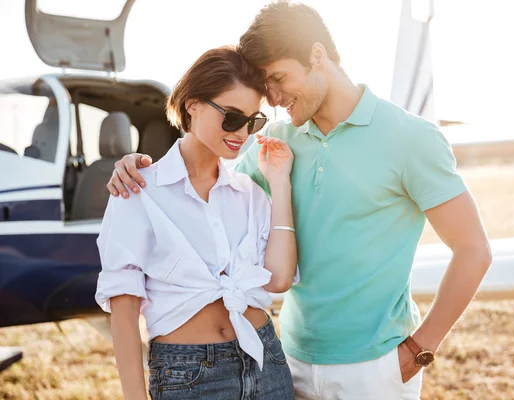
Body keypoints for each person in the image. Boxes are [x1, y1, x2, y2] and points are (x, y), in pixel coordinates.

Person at [106, 2, 492, 399]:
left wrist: (419, 350)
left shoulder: (410, 138)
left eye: (278, 78)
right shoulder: (274, 142)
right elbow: (205, 189)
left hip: (375, 367)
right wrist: (134, 168)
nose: (272, 99)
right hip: (288, 361)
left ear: (317, 55)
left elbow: (473, 250)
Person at [95, 46, 298, 400]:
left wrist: (279, 183)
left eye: (254, 121)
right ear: (192, 105)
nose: (243, 132)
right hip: (189, 377)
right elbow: (123, 308)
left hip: (266, 363)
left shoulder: (250, 192)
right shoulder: (137, 190)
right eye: (232, 117)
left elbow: (279, 279)